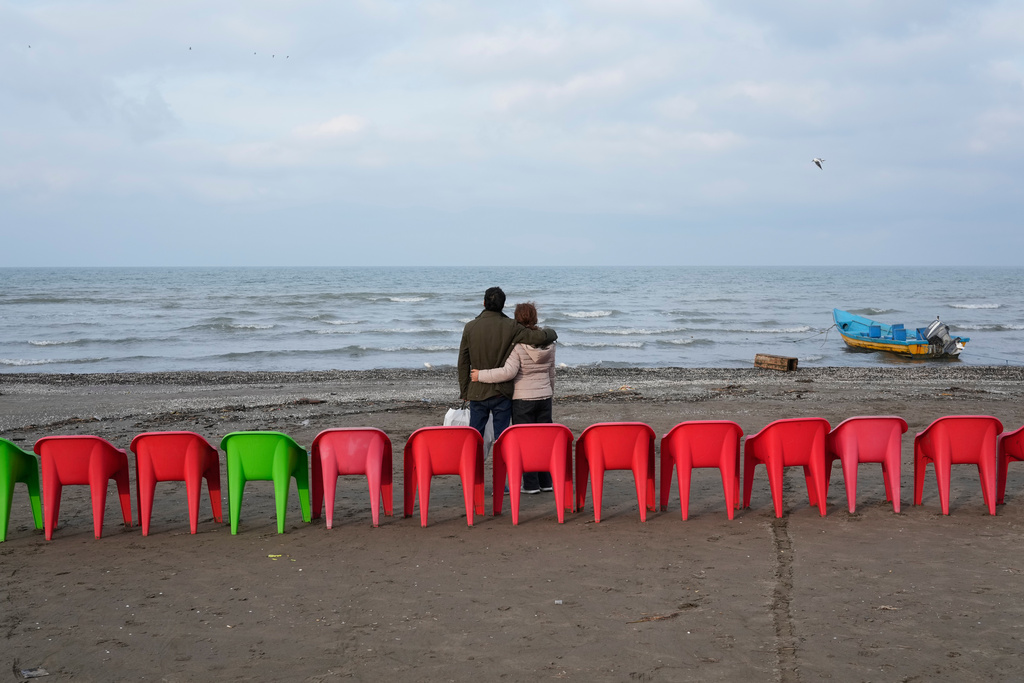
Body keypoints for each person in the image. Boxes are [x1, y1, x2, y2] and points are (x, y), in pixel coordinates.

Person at [471, 302, 555, 494]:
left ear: (517, 319)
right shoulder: (549, 344)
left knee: (525, 442)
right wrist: (550, 391)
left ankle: (531, 484)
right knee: (543, 440)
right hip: (544, 397)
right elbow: (552, 373)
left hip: (523, 399)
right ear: (535, 318)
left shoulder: (518, 345)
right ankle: (546, 481)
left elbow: (508, 372)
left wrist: (480, 375)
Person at [458, 288, 557, 449]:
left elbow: (463, 361)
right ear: (503, 305)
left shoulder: (470, 327)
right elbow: (538, 337)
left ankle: (473, 472)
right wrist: (552, 332)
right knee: (502, 440)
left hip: (476, 390)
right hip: (501, 393)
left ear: (483, 303)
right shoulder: (512, 326)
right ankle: (502, 472)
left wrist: (464, 391)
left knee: (474, 438)